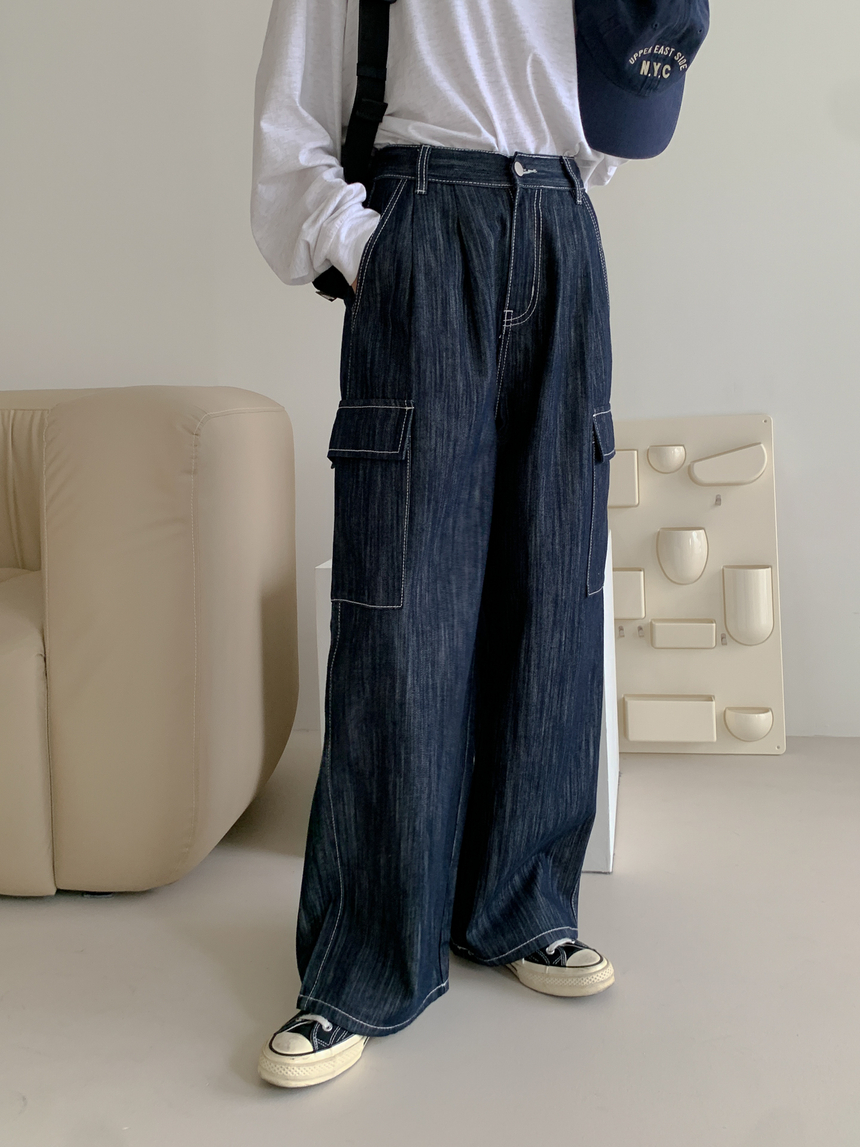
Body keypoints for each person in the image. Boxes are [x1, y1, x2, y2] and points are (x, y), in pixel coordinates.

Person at [250, 0, 707, 1090]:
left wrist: (553, 190)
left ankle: (523, 901)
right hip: (424, 221)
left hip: (561, 225)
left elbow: (616, 112)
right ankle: (365, 957)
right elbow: (291, 120)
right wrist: (371, 246)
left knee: (555, 588)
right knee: (400, 606)